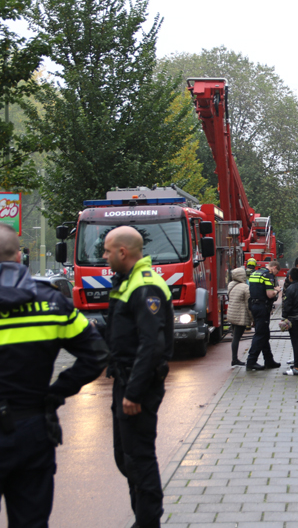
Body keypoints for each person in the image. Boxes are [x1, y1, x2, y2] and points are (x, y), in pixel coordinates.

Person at [0, 223, 108, 528]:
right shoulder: (52, 303)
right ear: (20, 257)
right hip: (33, 427)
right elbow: (97, 354)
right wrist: (56, 392)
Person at [103, 226, 173, 528]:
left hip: (138, 388)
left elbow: (151, 345)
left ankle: (148, 521)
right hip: (126, 382)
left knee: (139, 458)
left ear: (122, 252)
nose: (104, 257)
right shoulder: (129, 282)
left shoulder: (145, 287)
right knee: (126, 457)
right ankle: (143, 517)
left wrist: (133, 392)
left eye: (106, 251)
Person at [246, 260, 281, 371]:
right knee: (260, 334)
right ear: (274, 268)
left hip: (254, 306)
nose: (274, 275)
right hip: (262, 307)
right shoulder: (267, 275)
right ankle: (251, 361)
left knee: (264, 333)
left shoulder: (254, 273)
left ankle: (269, 360)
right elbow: (270, 295)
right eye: (276, 273)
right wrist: (277, 291)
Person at [227, 266, 252, 367]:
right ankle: (234, 359)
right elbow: (248, 304)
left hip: (232, 313)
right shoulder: (245, 287)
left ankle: (234, 358)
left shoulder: (231, 285)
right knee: (237, 337)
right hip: (240, 315)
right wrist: (252, 317)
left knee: (235, 337)